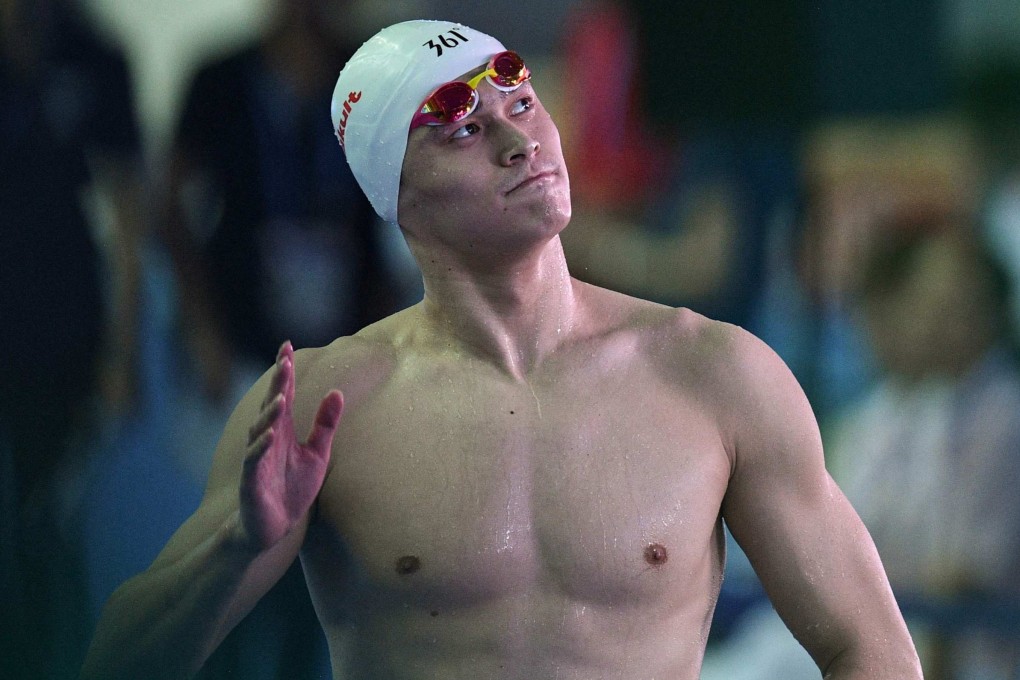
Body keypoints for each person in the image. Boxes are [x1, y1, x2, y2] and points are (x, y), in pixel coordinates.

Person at [82, 20, 921, 679]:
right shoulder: (329, 405)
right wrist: (239, 543)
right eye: (462, 131)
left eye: (521, 104)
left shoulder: (715, 374)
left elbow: (876, 652)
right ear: (396, 195)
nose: (519, 143)